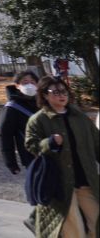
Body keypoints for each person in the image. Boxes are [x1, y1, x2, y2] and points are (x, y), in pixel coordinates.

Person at [25, 76, 99, 238]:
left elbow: (97, 142)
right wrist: (49, 143)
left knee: (96, 222)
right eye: (55, 92)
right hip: (61, 184)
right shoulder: (38, 120)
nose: (61, 95)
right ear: (44, 95)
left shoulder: (79, 117)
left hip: (86, 179)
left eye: (64, 91)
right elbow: (31, 145)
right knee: (74, 230)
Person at [0, 70, 40, 175]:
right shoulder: (12, 107)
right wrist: (11, 162)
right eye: (25, 82)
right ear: (17, 85)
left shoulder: (44, 103)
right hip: (30, 156)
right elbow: (5, 136)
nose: (30, 85)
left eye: (32, 82)